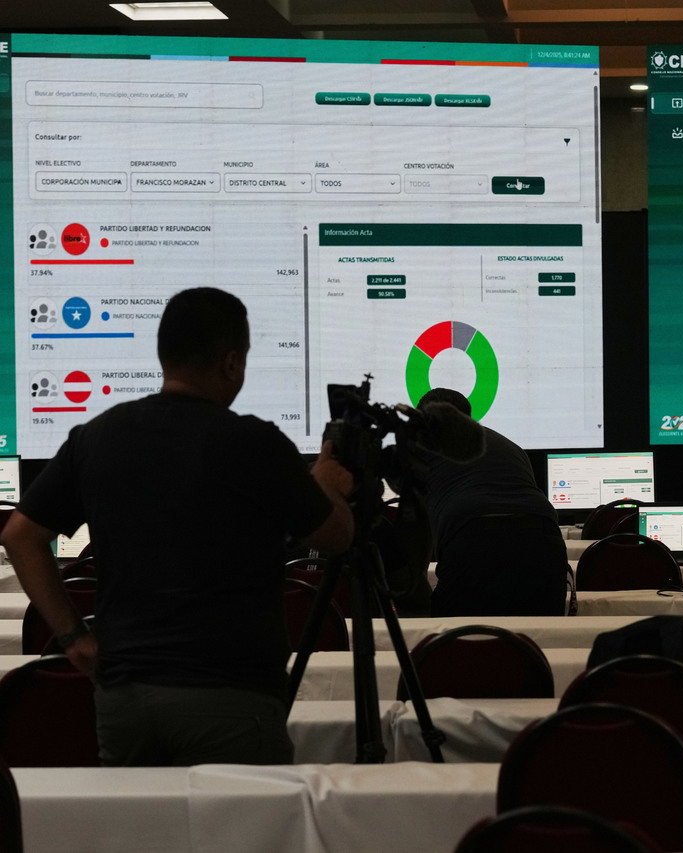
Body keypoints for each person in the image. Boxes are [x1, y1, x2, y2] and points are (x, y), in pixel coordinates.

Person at [0, 287, 354, 767]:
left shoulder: (97, 436)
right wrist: (326, 480)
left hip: (124, 699)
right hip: (232, 696)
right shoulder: (255, 443)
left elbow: (20, 536)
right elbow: (334, 536)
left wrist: (72, 638)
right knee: (245, 817)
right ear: (232, 362)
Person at [411, 387, 568, 616]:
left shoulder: (420, 446)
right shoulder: (511, 446)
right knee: (538, 632)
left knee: (456, 632)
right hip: (545, 535)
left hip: (471, 535)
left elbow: (417, 534)